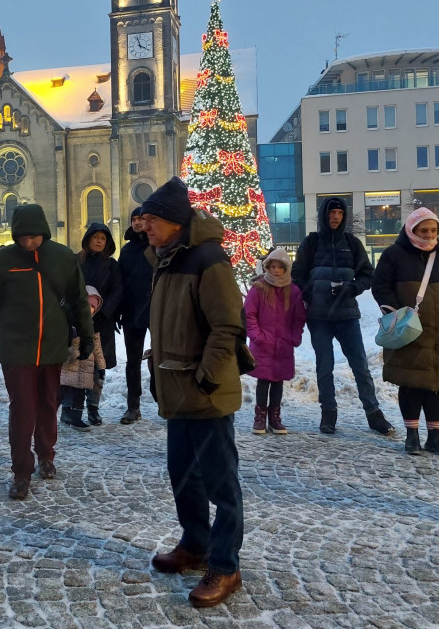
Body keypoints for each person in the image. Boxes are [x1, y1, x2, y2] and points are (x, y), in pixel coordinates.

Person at [143, 177, 244, 609]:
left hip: (205, 392)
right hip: (177, 390)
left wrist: (206, 376)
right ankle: (195, 545)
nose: (143, 226)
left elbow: (228, 326)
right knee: (182, 474)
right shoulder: (166, 259)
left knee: (221, 484)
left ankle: (225, 565)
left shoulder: (208, 259)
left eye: (150, 220)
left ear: (174, 221)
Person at [0, 203, 93, 502]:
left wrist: (87, 336)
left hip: (52, 346)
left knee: (48, 404)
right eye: (23, 237)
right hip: (16, 349)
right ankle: (21, 472)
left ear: (44, 232)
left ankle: (46, 455)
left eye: (34, 237)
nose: (28, 243)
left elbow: (79, 300)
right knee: (23, 408)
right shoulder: (3, 259)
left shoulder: (63, 257)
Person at [372, 208, 439, 457]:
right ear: (411, 229)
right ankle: (412, 436)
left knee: (437, 385)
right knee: (412, 383)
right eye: (423, 230)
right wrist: (395, 314)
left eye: (433, 230)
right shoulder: (394, 254)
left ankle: (435, 437)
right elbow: (380, 286)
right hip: (409, 332)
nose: (429, 234)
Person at [292, 197, 394, 437]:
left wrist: (352, 288)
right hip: (319, 317)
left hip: (347, 315)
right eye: (331, 212)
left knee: (360, 365)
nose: (335, 217)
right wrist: (312, 292)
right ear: (323, 216)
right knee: (324, 367)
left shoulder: (352, 243)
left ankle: (374, 413)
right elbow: (297, 275)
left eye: (339, 212)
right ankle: (328, 412)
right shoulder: (311, 243)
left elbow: (368, 275)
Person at [60, 223, 121, 429]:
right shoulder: (76, 262)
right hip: (76, 323)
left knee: (97, 368)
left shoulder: (112, 265)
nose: (99, 241)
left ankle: (93, 407)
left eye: (103, 238)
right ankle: (68, 409)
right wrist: (75, 312)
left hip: (102, 324)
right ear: (87, 240)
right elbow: (67, 288)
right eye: (95, 237)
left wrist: (104, 312)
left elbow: (117, 291)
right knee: (73, 365)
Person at [244, 248, 306, 435]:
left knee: (278, 381)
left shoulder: (293, 291)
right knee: (263, 381)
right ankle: (260, 415)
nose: (276, 270)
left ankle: (275, 416)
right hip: (263, 344)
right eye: (273, 266)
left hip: (284, 345)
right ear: (267, 267)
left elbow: (299, 317)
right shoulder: (259, 288)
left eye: (280, 267)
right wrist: (257, 336)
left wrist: (294, 337)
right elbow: (249, 314)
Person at [117, 207, 151, 425]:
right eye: (134, 219)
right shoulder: (127, 250)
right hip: (132, 311)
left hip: (157, 311)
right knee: (133, 362)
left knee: (163, 360)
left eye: (141, 219)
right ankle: (133, 406)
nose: (137, 223)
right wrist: (119, 311)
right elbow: (120, 282)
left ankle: (167, 404)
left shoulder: (158, 247)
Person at [59, 286, 107, 423]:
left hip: (87, 365)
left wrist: (101, 366)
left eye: (93, 306)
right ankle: (66, 411)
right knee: (68, 388)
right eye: (87, 305)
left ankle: (80, 414)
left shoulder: (93, 326)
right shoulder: (70, 322)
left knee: (81, 391)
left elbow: (97, 348)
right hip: (71, 364)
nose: (89, 309)